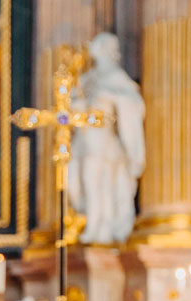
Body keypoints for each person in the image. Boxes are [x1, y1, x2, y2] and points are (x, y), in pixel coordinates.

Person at [69, 32, 146, 245]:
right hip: (83, 140)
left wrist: (108, 94)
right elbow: (71, 107)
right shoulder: (86, 78)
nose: (115, 53)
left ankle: (99, 226)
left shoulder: (116, 77)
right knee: (75, 183)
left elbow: (133, 103)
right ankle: (91, 223)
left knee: (97, 183)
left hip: (102, 141)